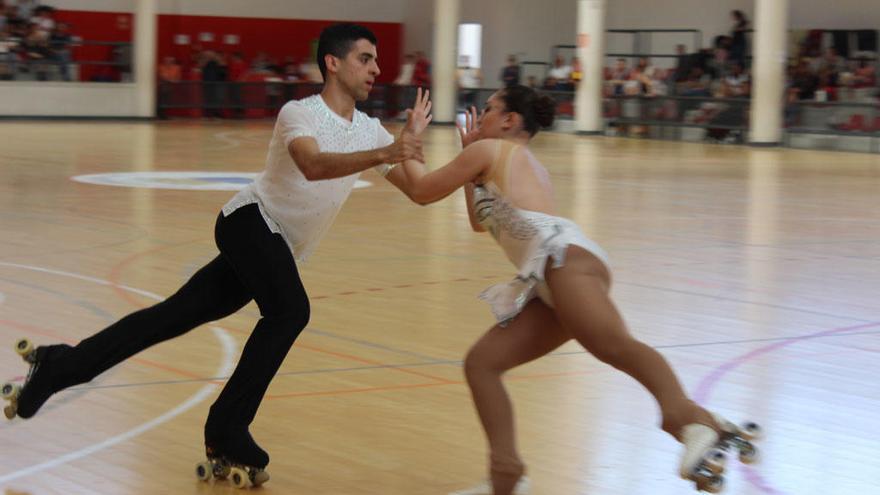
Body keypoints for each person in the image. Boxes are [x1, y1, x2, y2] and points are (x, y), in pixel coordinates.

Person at [1, 23, 431, 487]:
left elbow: (424, 192)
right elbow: (312, 165)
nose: (377, 68)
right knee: (289, 312)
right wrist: (387, 150)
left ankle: (58, 367)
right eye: (365, 58)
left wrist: (478, 165)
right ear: (333, 62)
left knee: (168, 318)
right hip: (248, 223)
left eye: (375, 60)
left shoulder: (368, 130)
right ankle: (227, 427)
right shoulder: (299, 113)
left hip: (274, 244)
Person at [397, 86, 755, 495]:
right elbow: (481, 223)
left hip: (564, 262)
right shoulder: (494, 157)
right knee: (483, 364)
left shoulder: (489, 152)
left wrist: (409, 142)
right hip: (549, 277)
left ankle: (689, 419)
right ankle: (506, 477)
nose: (481, 118)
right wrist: (471, 175)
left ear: (510, 120)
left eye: (491, 110)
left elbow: (422, 191)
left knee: (613, 345)